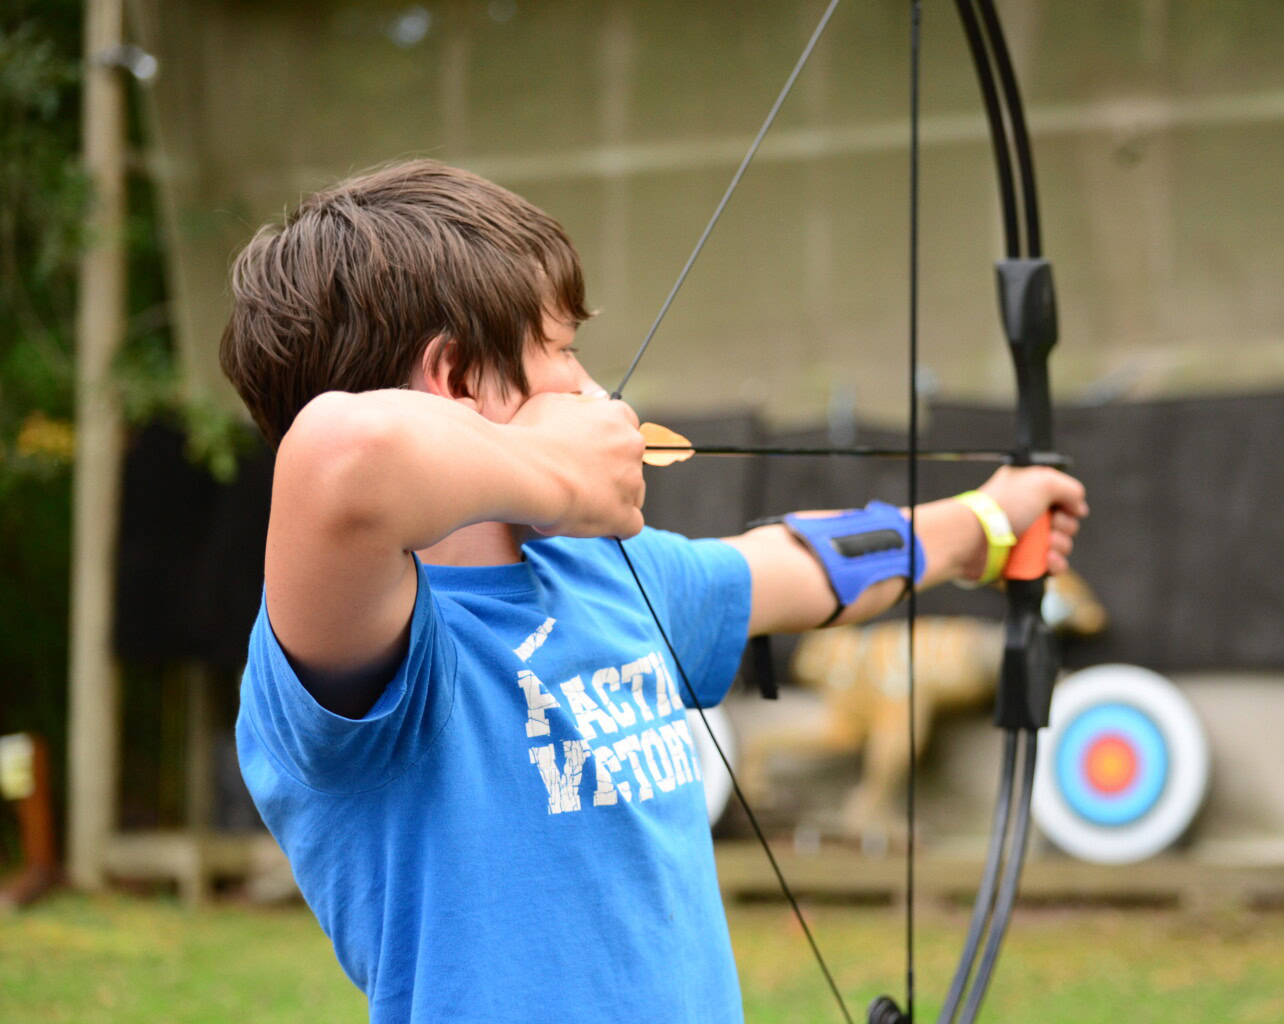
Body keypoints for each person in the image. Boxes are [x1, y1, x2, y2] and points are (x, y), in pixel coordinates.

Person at [221, 158, 1086, 1023]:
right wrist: (560, 478)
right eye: (560, 349)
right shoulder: (363, 649)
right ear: (456, 380)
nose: (596, 389)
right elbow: (339, 457)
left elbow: (806, 564)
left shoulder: (603, 577)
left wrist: (985, 524)